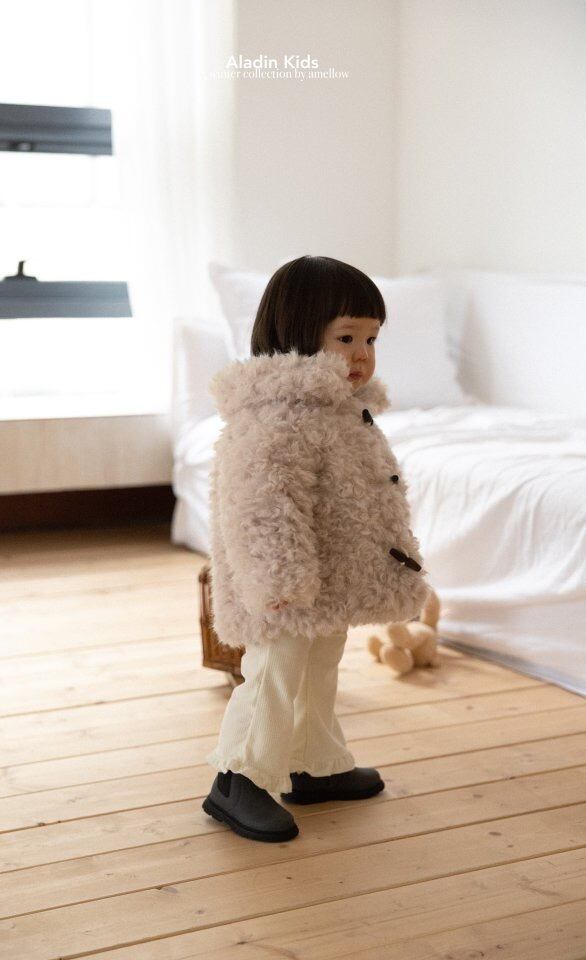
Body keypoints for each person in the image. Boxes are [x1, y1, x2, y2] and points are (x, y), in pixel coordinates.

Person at [201, 255, 431, 843]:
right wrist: (277, 578)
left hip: (327, 580)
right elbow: (261, 502)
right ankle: (238, 778)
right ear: (298, 333)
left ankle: (315, 763)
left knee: (319, 668)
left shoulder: (340, 410)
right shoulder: (275, 416)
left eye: (371, 339)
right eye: (346, 337)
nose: (362, 354)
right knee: (274, 675)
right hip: (285, 585)